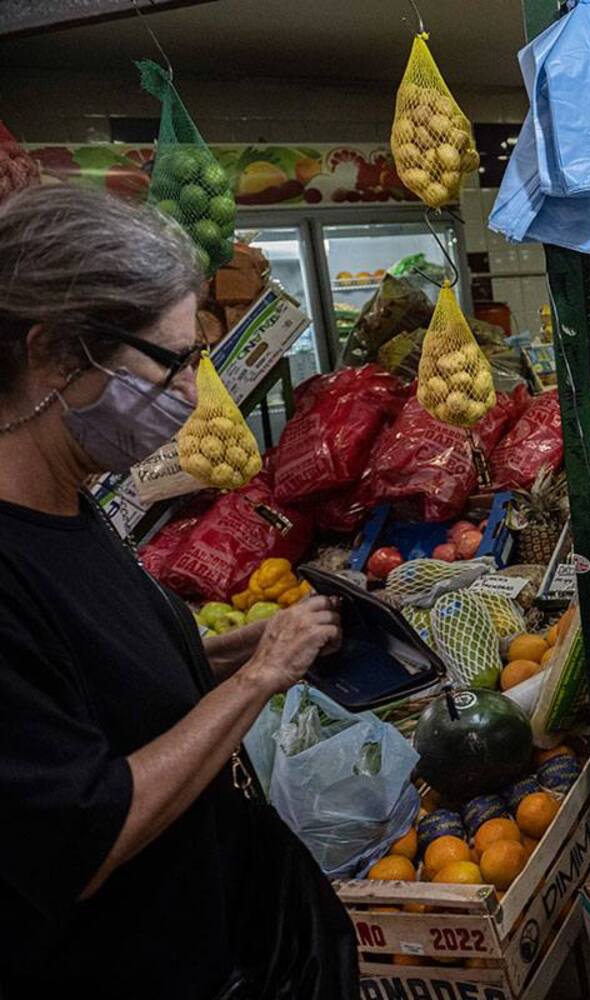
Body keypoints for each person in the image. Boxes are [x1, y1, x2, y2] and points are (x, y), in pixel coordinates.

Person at [0, 186, 357, 998]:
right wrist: (261, 680)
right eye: (173, 363)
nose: (196, 395)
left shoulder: (70, 502)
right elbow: (85, 838)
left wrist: (230, 654)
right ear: (56, 355)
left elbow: (92, 692)